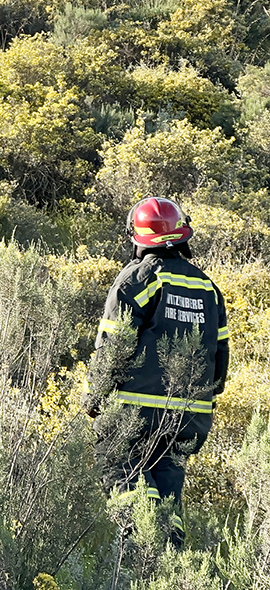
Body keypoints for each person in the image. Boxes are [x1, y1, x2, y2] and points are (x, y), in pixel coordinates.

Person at [84, 196, 229, 548]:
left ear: (137, 237)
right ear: (182, 236)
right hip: (187, 418)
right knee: (168, 497)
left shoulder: (136, 279)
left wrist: (95, 396)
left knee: (122, 476)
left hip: (134, 414)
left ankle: (140, 561)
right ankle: (171, 566)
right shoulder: (208, 288)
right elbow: (220, 360)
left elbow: (113, 347)